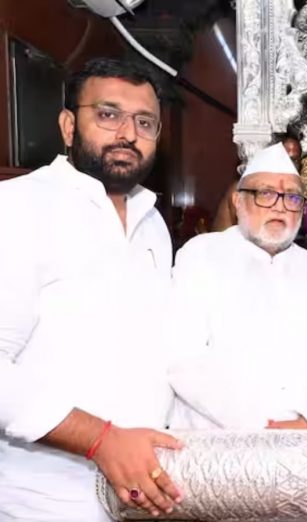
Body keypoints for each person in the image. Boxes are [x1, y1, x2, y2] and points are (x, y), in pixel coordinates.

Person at [0, 58, 181, 521]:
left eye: (145, 122)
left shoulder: (152, 222)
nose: (127, 133)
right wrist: (101, 440)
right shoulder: (19, 207)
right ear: (67, 125)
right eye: (107, 114)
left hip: (143, 497)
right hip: (42, 502)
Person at [167, 142, 307, 430]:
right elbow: (183, 357)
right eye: (266, 194)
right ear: (237, 202)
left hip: (302, 444)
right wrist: (260, 426)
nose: (280, 207)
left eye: (292, 198)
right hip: (218, 446)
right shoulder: (201, 255)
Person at [211, 135, 301, 232]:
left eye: (295, 159)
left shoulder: (286, 189)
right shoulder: (245, 187)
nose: (290, 164)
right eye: (286, 157)